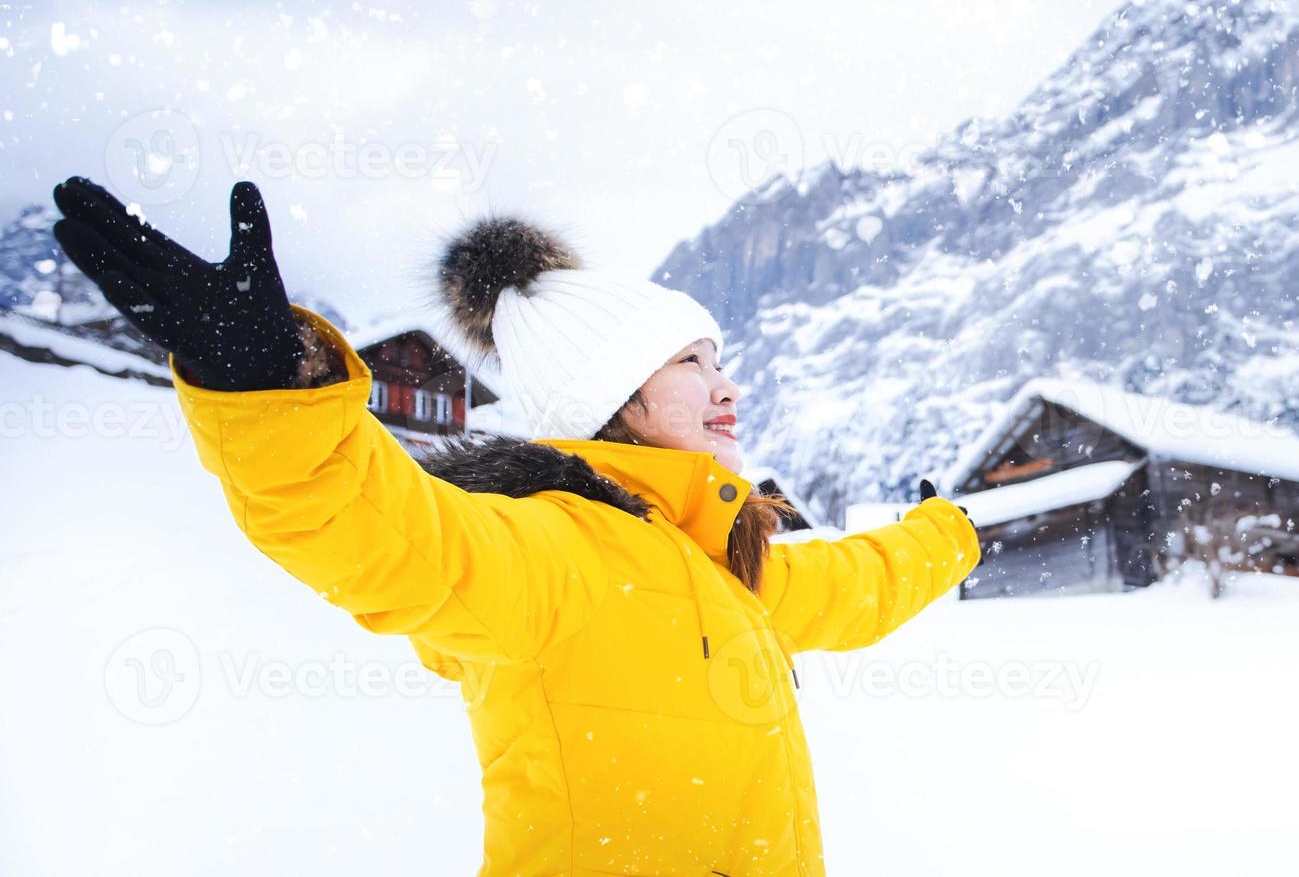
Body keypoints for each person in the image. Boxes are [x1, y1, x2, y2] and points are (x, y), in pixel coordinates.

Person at [49, 176, 981, 876]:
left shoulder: (725, 563)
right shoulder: (550, 554)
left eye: (719, 358)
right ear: (612, 397)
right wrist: (269, 385)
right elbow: (375, 529)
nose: (727, 384)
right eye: (693, 362)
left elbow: (859, 581)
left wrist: (950, 532)